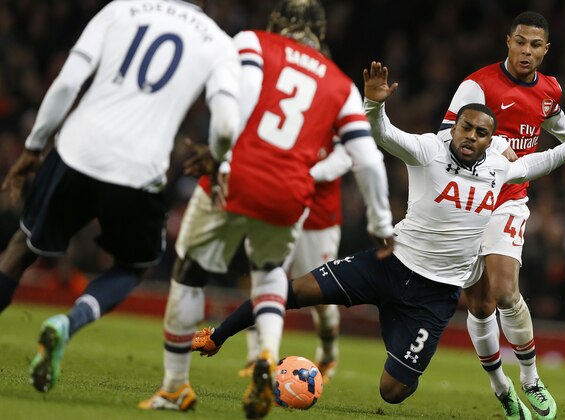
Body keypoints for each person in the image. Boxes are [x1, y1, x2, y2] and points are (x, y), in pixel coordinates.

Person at [191, 62, 565, 414]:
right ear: (454, 125)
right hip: (388, 266)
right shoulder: (428, 150)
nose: (470, 136)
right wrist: (374, 103)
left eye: (480, 132)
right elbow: (384, 133)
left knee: (393, 393)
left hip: (435, 296)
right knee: (292, 289)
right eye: (465, 127)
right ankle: (217, 335)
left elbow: (544, 160)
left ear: (490, 139)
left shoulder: (499, 165)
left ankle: (408, 337)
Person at [139, 1, 394, 418]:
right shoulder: (341, 85)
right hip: (291, 193)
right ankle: (266, 356)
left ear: (279, 23)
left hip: (238, 173)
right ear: (321, 32)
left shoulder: (254, 43)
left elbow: (237, 103)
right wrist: (380, 222)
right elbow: (367, 158)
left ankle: (174, 387)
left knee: (190, 271)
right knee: (272, 273)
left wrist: (220, 154)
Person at [0, 0, 241, 393]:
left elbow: (65, 83)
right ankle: (70, 321)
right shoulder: (217, 41)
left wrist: (33, 146)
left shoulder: (120, 10)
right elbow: (228, 124)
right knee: (133, 265)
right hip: (138, 170)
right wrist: (216, 158)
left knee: (21, 248)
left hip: (76, 150)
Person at [438, 11, 565, 419]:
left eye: (535, 45)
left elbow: (562, 130)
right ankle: (500, 387)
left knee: (504, 290)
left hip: (510, 200)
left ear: (545, 50)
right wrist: (497, 145)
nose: (526, 51)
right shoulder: (477, 84)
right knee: (480, 306)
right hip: (469, 200)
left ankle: (530, 379)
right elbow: (443, 133)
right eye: (521, 42)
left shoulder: (551, 90)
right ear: (508, 41)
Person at [241, 139, 351, 384]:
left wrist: (305, 174)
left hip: (318, 219)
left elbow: (346, 156)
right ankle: (256, 356)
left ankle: (328, 354)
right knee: (263, 279)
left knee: (321, 297)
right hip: (278, 208)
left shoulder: (337, 106)